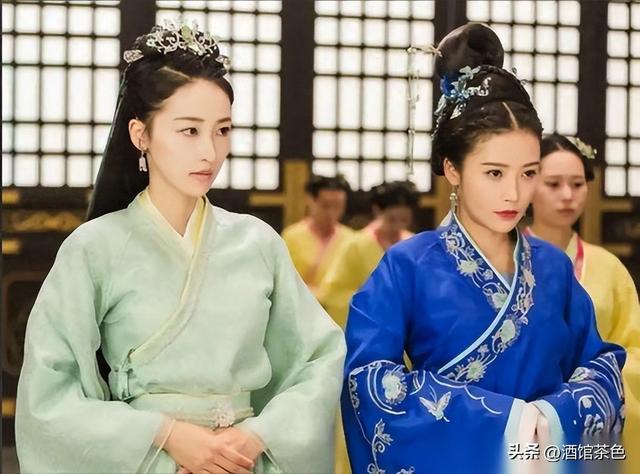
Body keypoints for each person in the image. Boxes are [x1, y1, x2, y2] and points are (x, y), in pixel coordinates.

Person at [15, 20, 345, 474]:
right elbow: (50, 392)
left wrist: (256, 436)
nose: (210, 152)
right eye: (189, 130)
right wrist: (167, 435)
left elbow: (320, 358)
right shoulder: (93, 248)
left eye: (222, 130)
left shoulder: (257, 243)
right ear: (140, 135)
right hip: (145, 461)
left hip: (245, 462)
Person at [342, 23, 625, 474]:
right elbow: (368, 382)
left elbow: (599, 366)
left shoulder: (552, 267)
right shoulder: (407, 266)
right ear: (453, 169)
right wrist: (509, 425)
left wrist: (551, 420)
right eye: (494, 173)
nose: (514, 194)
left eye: (528, 173)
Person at [527, 133, 640, 474]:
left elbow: (633, 347)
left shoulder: (608, 267)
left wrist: (592, 383)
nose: (567, 195)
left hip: (594, 417)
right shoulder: (502, 262)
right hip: (522, 417)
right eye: (553, 184)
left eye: (577, 184)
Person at [317, 180, 418, 328]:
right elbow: (333, 294)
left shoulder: (415, 245)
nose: (398, 226)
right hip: (367, 327)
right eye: (392, 219)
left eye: (404, 220)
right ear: (377, 211)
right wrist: (371, 299)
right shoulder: (355, 245)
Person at [281, 174, 354, 296]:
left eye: (338, 206)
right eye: (326, 206)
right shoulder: (291, 236)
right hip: (302, 302)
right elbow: (284, 278)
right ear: (311, 201)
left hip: (338, 306)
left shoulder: (351, 239)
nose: (331, 212)